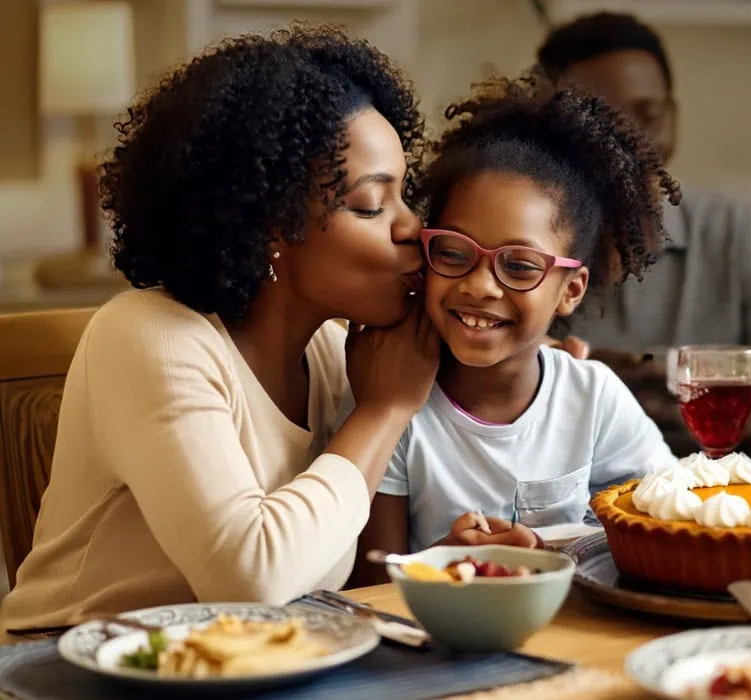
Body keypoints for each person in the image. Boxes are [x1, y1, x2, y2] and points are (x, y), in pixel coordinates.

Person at [0, 26, 440, 633]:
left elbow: (329, 561)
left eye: (405, 195)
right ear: (271, 225)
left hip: (253, 661)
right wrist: (382, 412)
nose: (412, 227)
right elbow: (250, 577)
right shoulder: (149, 337)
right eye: (371, 205)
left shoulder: (337, 353)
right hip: (66, 664)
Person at [350, 74, 678, 579]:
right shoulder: (395, 401)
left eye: (520, 266)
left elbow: (671, 519)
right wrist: (446, 560)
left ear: (571, 290)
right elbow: (370, 582)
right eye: (453, 253)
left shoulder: (592, 397)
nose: (480, 285)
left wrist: (570, 549)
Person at [535, 12, 751, 457]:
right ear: (547, 127)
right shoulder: (526, 243)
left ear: (674, 118)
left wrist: (691, 405)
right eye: (599, 120)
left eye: (648, 115)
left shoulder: (729, 232)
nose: (630, 141)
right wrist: (602, 394)